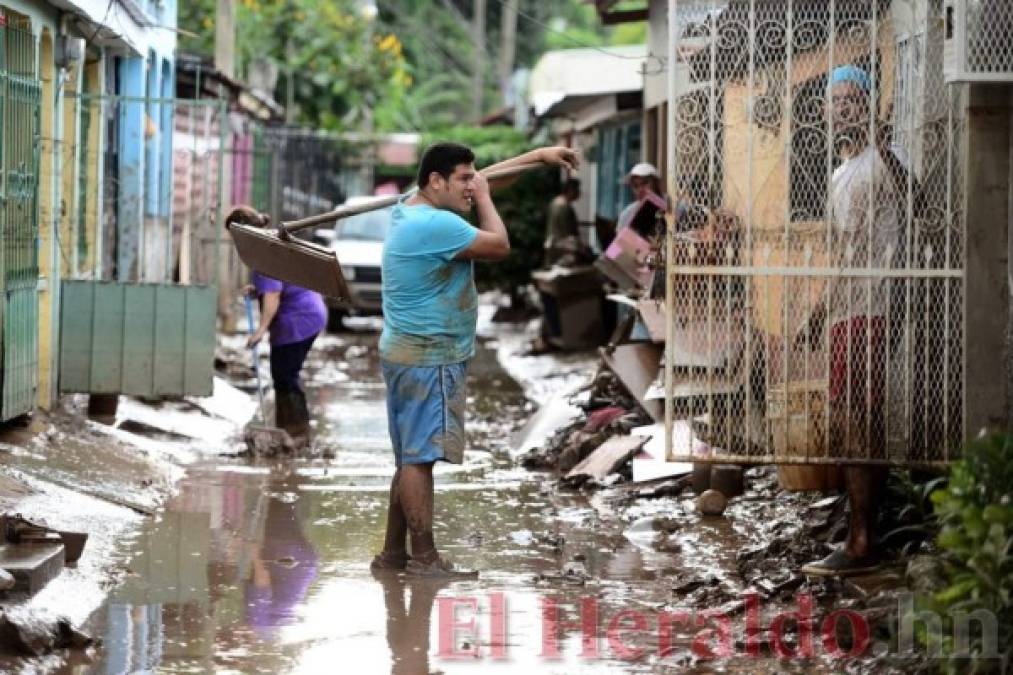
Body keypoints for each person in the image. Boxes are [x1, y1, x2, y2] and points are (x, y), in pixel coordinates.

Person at [371, 142, 578, 578]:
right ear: (435, 181)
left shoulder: (409, 209)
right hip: (430, 356)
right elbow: (500, 244)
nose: (472, 187)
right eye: (462, 179)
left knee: (411, 457)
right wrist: (482, 196)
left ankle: (392, 555)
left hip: (407, 352)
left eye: (473, 177)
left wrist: (537, 156)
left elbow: (485, 180)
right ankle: (425, 559)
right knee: (419, 459)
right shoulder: (436, 226)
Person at [800, 64, 918, 577]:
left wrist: (820, 307)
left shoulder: (880, 163)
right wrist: (824, 309)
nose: (843, 107)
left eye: (853, 99)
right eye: (835, 100)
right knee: (853, 418)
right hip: (848, 308)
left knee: (858, 423)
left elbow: (917, 201)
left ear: (869, 107)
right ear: (824, 111)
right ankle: (861, 529)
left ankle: (863, 541)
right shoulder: (839, 172)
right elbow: (842, 251)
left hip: (869, 305)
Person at [246, 262, 327, 447]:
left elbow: (273, 295)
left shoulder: (265, 257)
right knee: (283, 376)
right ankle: (287, 430)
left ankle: (297, 434)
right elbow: (276, 287)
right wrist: (257, 290)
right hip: (306, 313)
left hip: (298, 319)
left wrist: (261, 329)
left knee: (285, 376)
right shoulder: (270, 253)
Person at [617, 162, 667, 238]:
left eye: (645, 183)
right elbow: (620, 247)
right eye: (635, 186)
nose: (640, 189)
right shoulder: (626, 214)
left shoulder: (673, 204)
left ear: (656, 183)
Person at [543, 178, 582, 267]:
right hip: (563, 249)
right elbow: (570, 233)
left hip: (552, 246)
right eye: (577, 190)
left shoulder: (554, 203)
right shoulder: (565, 208)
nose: (579, 193)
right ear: (570, 190)